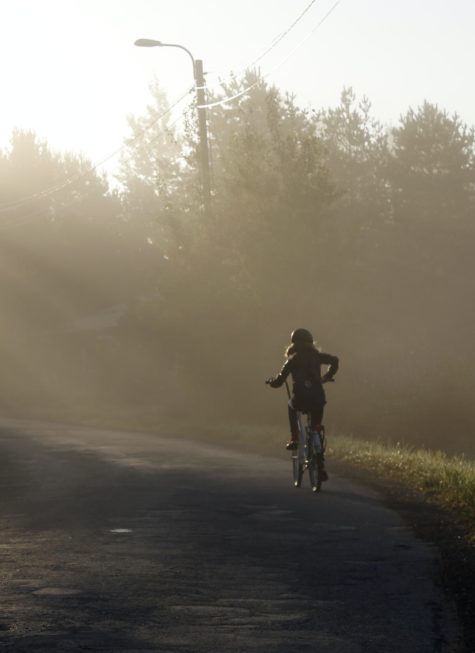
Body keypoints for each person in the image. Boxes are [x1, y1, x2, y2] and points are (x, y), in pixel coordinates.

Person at [266, 328, 339, 480]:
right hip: (318, 399)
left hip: (300, 400)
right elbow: (335, 360)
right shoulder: (317, 357)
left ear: (294, 344)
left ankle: (294, 438)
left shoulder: (292, 361)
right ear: (311, 343)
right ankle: (320, 464)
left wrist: (271, 382)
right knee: (316, 428)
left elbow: (279, 381)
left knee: (291, 405)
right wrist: (326, 376)